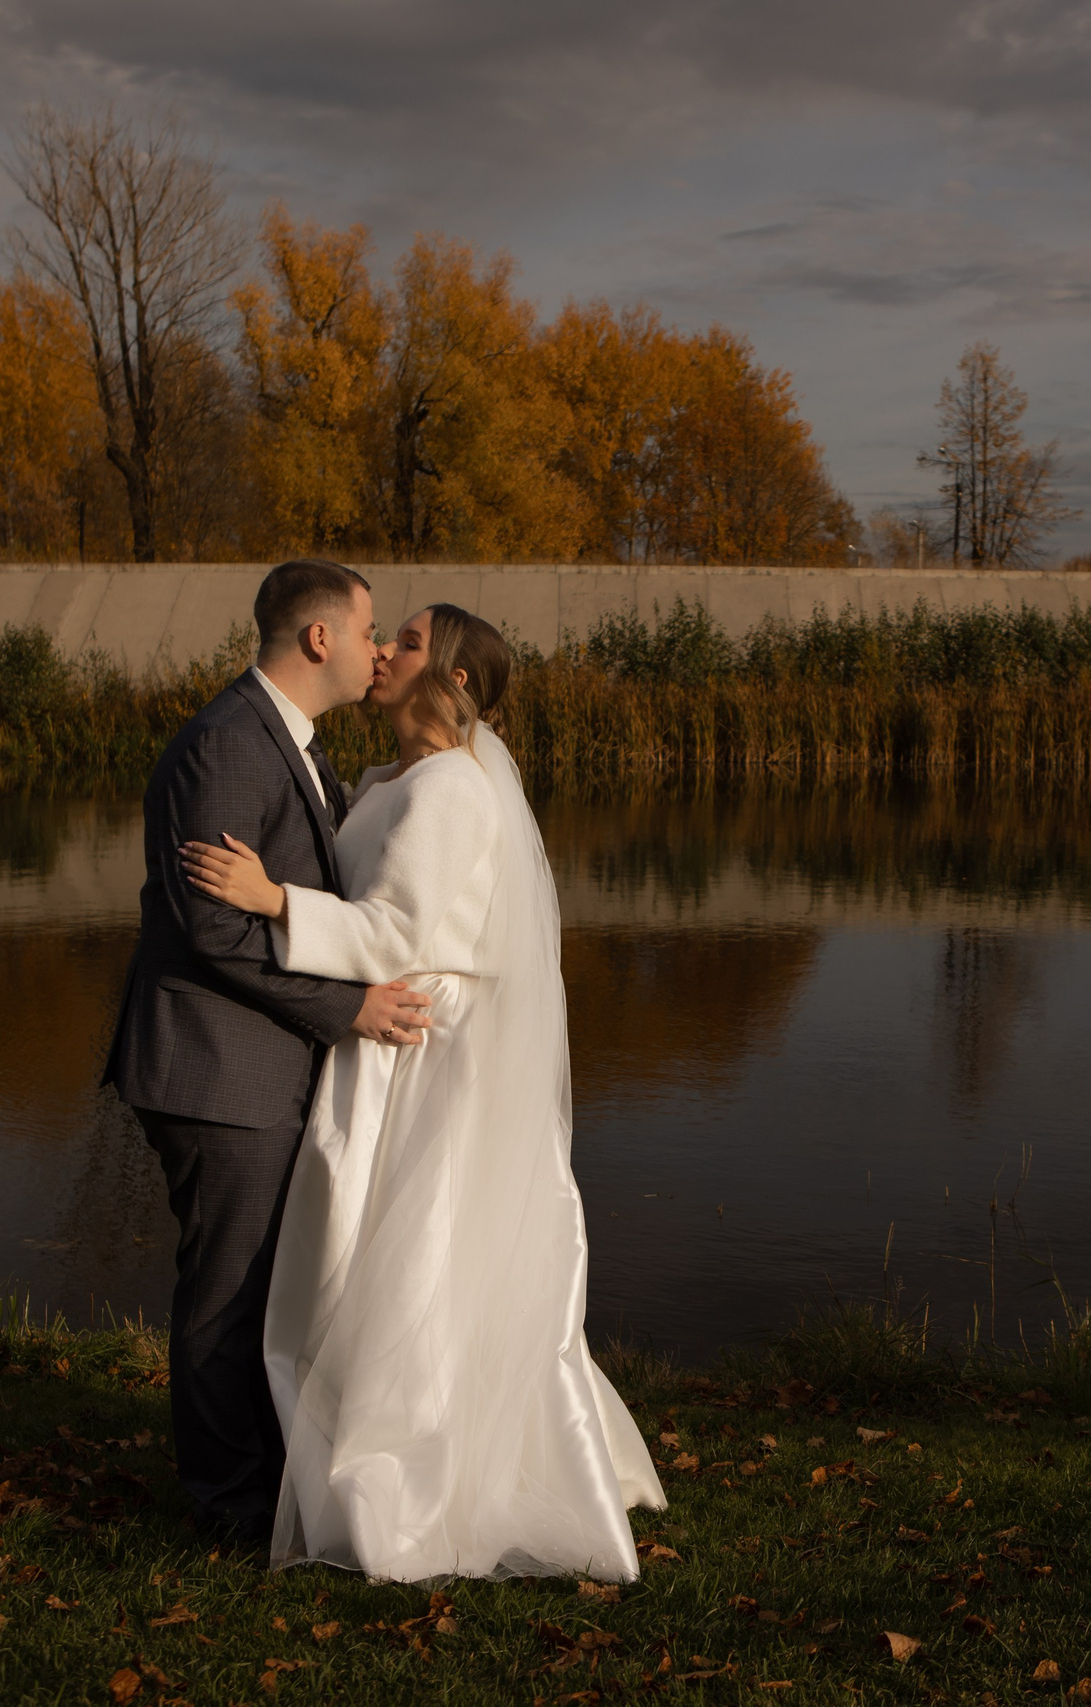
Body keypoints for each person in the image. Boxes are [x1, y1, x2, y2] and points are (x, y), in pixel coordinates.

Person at [180, 602, 663, 1581]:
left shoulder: (448, 789)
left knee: (415, 1258)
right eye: (386, 634)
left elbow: (398, 934)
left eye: (405, 641)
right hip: (388, 1033)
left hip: (422, 1045)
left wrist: (271, 900)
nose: (384, 652)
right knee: (365, 1255)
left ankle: (409, 1477)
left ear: (450, 679)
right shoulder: (387, 780)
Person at [102, 559, 432, 1548]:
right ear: (320, 638)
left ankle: (263, 1484)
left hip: (253, 1065)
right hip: (215, 1068)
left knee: (256, 1290)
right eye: (369, 631)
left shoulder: (293, 745)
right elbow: (214, 932)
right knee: (225, 1297)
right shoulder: (229, 749)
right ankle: (230, 1513)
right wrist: (350, 1009)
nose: (378, 651)